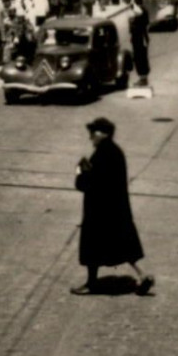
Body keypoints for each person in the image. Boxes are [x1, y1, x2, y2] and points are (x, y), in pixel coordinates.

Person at [71, 117, 153, 296]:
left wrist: (80, 173)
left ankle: (91, 284)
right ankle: (143, 274)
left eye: (93, 132)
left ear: (104, 133)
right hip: (117, 209)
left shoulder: (102, 155)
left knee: (92, 247)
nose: (90, 136)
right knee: (123, 244)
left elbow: (87, 184)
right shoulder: (115, 152)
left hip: (99, 210)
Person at [128, 0, 151, 87]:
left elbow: (137, 23)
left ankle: (143, 79)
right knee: (141, 58)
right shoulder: (143, 11)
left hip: (139, 38)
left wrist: (132, 23)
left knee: (140, 58)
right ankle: (143, 78)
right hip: (140, 37)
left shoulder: (140, 12)